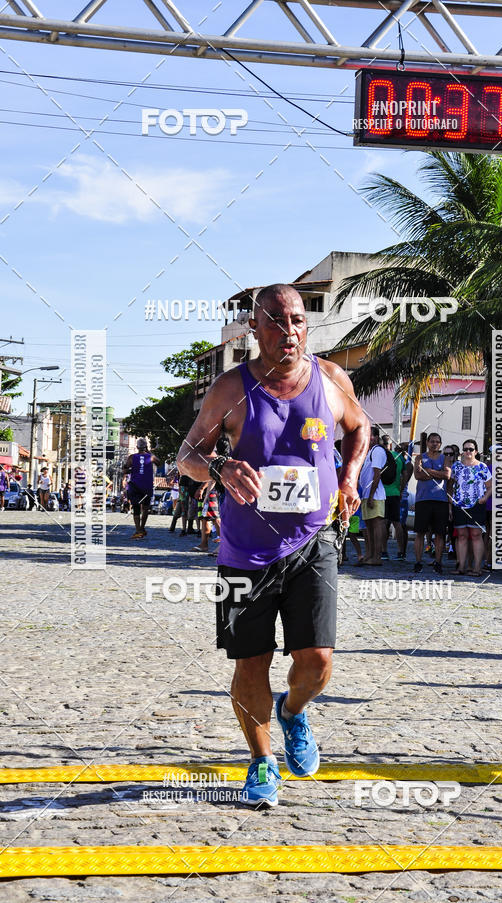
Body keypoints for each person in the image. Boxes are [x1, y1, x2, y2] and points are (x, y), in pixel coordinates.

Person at [177, 282, 368, 808]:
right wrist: (218, 465)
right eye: (278, 322)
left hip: (313, 541)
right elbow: (186, 455)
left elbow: (360, 427)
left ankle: (293, 712)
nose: (290, 332)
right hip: (245, 553)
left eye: (299, 321)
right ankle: (262, 761)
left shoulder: (331, 379)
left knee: (319, 661)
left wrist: (349, 478)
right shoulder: (228, 389)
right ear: (254, 329)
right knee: (250, 662)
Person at [448, 439, 492, 577]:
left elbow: (490, 486)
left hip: (476, 505)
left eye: (471, 449)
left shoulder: (482, 467)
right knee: (461, 536)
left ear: (476, 452)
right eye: (465, 449)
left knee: (476, 535)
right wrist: (450, 500)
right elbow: (450, 484)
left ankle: (477, 568)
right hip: (459, 505)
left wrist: (484, 498)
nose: (468, 452)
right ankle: (461, 567)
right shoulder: (456, 466)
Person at [413, 433, 451, 574]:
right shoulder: (420, 458)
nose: (435, 444)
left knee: (440, 534)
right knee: (420, 533)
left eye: (437, 442)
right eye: (432, 441)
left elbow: (447, 475)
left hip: (440, 500)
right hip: (423, 499)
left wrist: (428, 471)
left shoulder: (445, 458)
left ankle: (438, 562)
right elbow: (418, 475)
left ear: (440, 444)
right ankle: (418, 562)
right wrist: (437, 473)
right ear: (427, 443)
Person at [359, 427, 388, 566]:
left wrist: (371, 495)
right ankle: (370, 555)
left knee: (376, 525)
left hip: (375, 495)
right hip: (366, 494)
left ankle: (377, 556)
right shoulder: (368, 451)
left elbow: (377, 474)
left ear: (376, 437)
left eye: (370, 435)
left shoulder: (377, 450)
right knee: (369, 526)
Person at [123, 438, 160, 539]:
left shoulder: (132, 457)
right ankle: (142, 528)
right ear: (146, 447)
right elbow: (159, 463)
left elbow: (125, 470)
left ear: (137, 447)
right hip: (147, 486)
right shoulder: (151, 457)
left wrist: (131, 470)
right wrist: (149, 452)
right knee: (145, 508)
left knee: (136, 508)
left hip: (135, 486)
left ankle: (138, 530)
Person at [381, 436, 406, 561]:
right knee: (397, 523)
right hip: (395, 493)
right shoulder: (399, 456)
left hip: (383, 493)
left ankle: (384, 551)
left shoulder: (380, 455)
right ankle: (401, 552)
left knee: (385, 523)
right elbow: (406, 473)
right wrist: (401, 488)